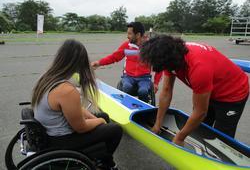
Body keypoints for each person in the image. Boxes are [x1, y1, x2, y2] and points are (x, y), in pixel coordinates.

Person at [140, 35, 249, 146]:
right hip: (209, 88)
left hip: (233, 93)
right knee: (201, 128)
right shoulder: (172, 55)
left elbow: (200, 112)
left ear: (166, 61)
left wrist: (179, 138)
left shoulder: (198, 68)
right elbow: (166, 91)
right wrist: (158, 124)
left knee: (222, 140)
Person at [31, 39, 122, 170]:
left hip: (49, 132)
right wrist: (100, 121)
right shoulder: (66, 90)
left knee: (104, 116)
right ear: (78, 62)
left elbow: (75, 108)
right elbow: (81, 128)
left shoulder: (47, 77)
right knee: (115, 129)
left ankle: (103, 157)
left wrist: (96, 118)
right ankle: (104, 163)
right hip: (62, 141)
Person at [91, 22, 162, 103]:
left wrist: (156, 83)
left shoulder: (150, 48)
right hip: (128, 77)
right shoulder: (126, 46)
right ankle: (125, 106)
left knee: (143, 92)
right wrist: (99, 63)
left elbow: (159, 66)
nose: (127, 36)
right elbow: (114, 57)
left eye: (130, 34)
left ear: (138, 35)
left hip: (144, 78)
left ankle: (145, 111)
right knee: (126, 87)